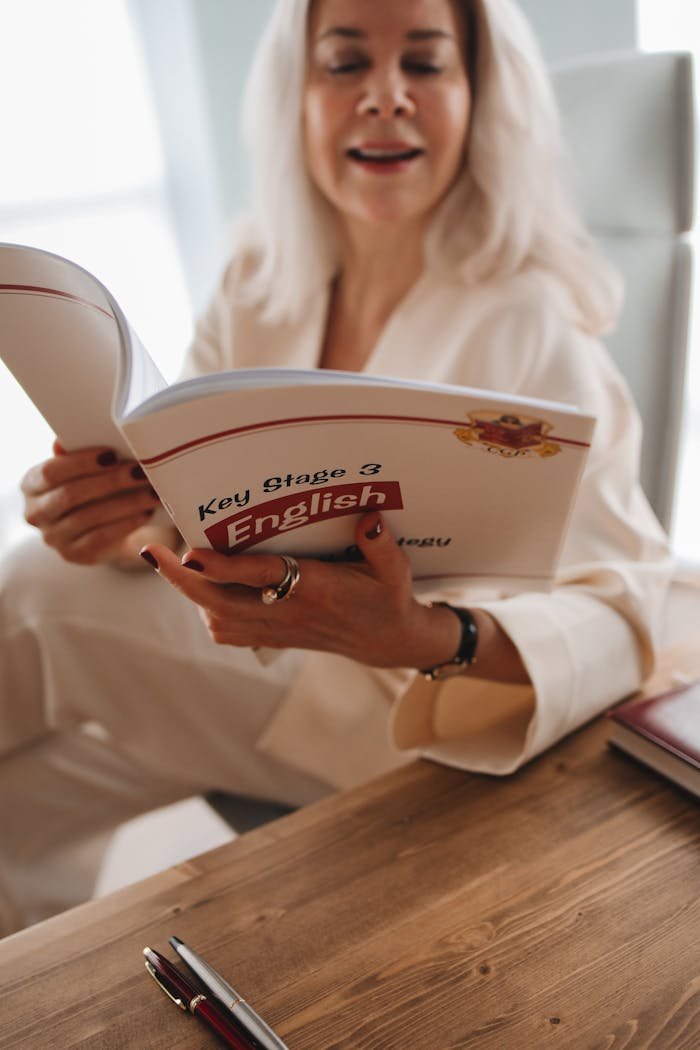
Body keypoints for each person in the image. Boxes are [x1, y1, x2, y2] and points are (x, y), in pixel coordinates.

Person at [0, 0, 671, 936]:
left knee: (30, 597)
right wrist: (121, 523)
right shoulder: (259, 281)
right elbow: (191, 515)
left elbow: (626, 606)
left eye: (427, 65)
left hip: (404, 711)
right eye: (345, 63)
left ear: (479, 98)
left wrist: (427, 635)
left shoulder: (529, 323)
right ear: (298, 97)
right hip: (244, 658)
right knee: (22, 801)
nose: (385, 97)